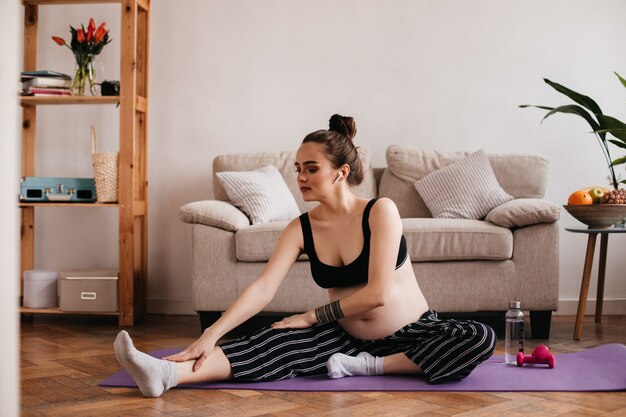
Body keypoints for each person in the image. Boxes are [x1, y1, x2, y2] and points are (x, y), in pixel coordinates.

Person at [114, 114, 496, 397]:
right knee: (268, 342)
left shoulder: (381, 211)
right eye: (298, 169)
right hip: (343, 339)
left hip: (415, 334)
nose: (300, 177)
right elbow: (263, 288)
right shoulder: (300, 227)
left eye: (311, 168)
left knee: (478, 337)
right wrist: (211, 334)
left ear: (340, 172)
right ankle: (165, 374)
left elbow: (378, 292)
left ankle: (370, 367)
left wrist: (310, 316)